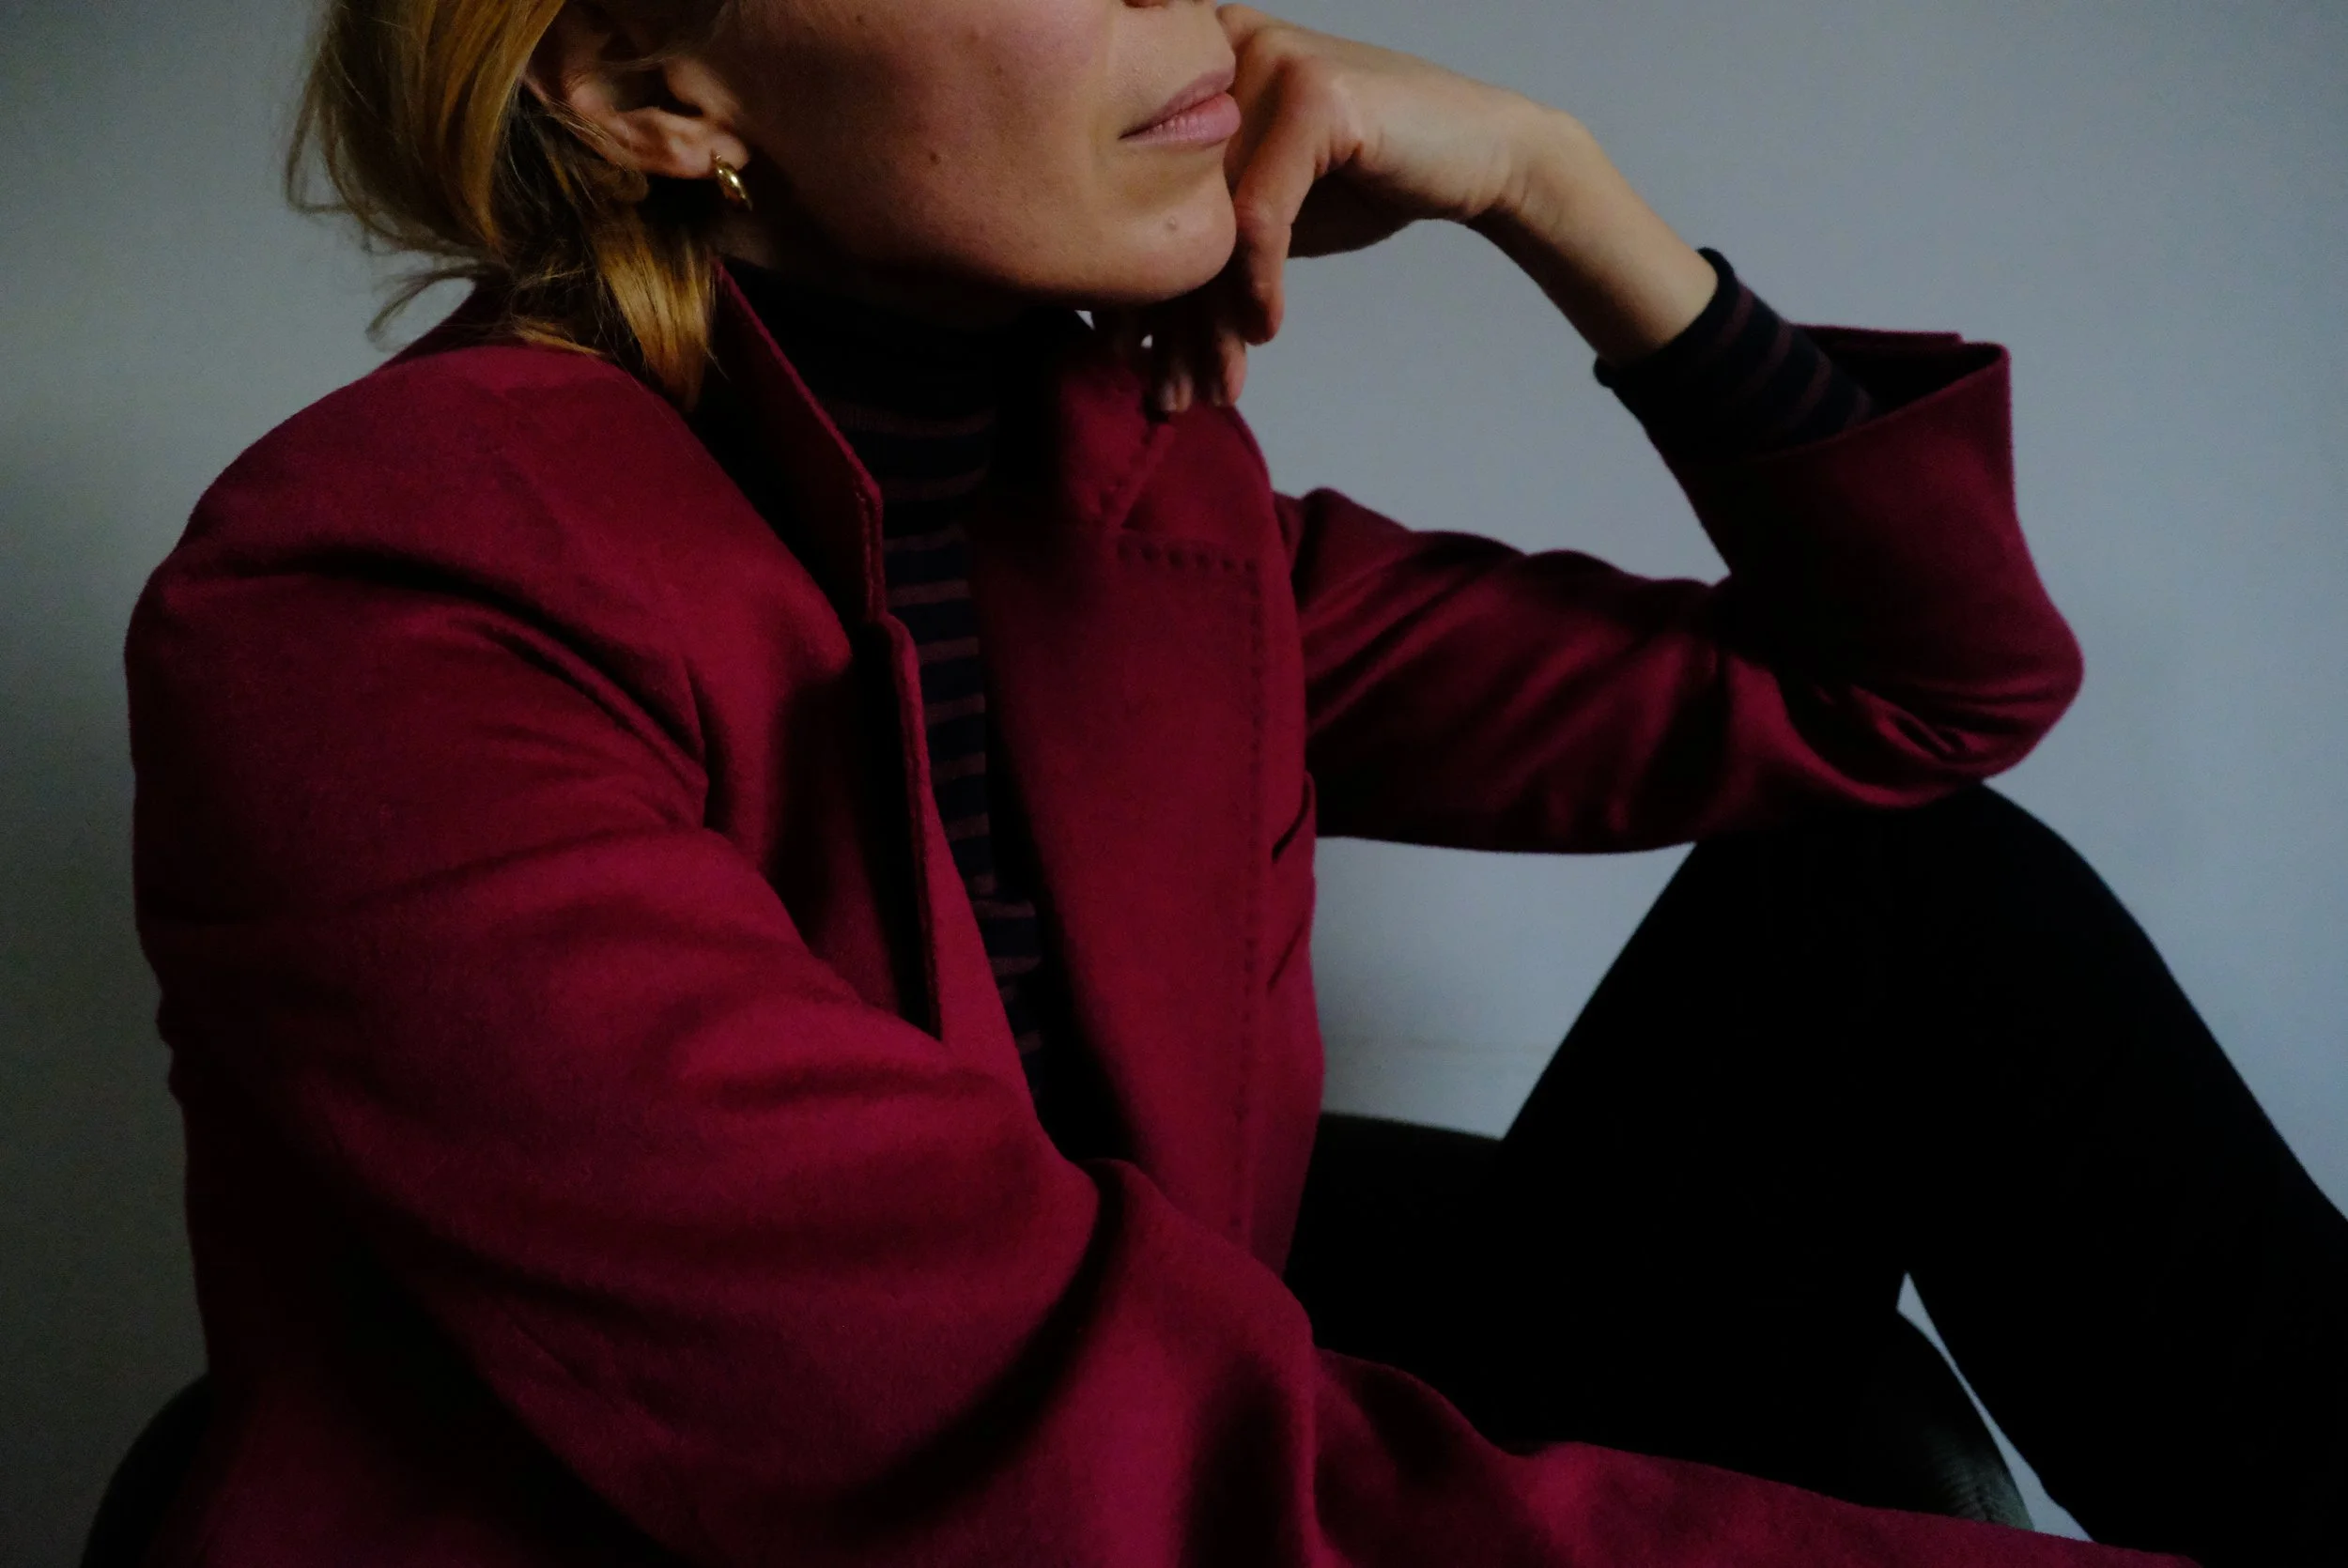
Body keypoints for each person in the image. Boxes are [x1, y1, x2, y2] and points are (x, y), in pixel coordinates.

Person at [122, 0, 2343, 1563]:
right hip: (872, 1520)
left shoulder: (1139, 518)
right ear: (648, 91)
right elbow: (1012, 1452)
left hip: (1181, 1443)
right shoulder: (384, 593)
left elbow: (1918, 699)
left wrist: (1553, 188)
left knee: (1902, 898)